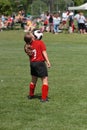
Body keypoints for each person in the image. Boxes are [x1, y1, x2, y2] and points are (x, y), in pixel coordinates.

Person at [24, 32, 51, 102]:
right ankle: (44, 98)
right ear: (32, 38)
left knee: (33, 80)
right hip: (40, 63)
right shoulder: (40, 42)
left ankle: (31, 95)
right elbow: (44, 52)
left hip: (32, 63)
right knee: (45, 80)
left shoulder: (28, 45)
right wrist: (48, 61)